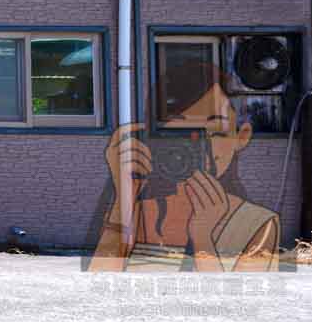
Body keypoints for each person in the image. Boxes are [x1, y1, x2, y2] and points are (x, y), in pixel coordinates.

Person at [88, 50, 280, 273]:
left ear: (242, 136)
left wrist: (203, 239)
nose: (199, 148)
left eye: (216, 132)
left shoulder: (257, 224)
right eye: (180, 133)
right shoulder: (135, 210)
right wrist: (123, 196)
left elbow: (246, 294)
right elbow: (100, 282)